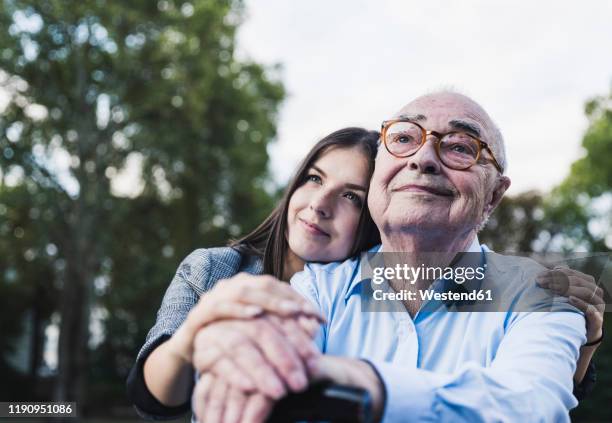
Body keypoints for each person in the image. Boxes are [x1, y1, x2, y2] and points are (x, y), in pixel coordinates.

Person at [188, 91, 606, 423]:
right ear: (378, 175)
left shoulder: (544, 296)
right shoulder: (317, 287)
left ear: (494, 194)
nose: (423, 159)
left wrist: (368, 385)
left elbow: (531, 408)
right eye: (404, 139)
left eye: (460, 147)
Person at [126, 127, 382, 419]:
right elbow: (150, 401)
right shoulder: (211, 270)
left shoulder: (378, 294)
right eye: (314, 178)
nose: (319, 204)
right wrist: (190, 340)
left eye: (351, 196)